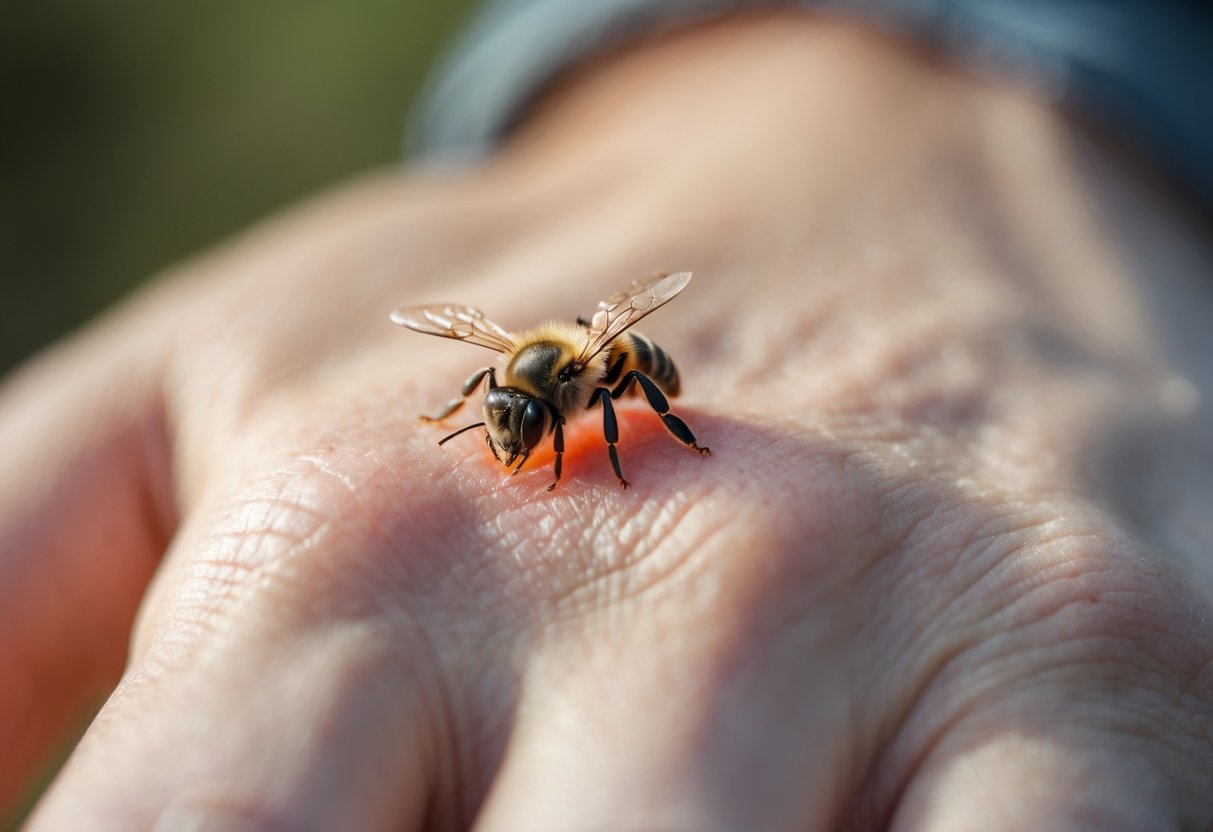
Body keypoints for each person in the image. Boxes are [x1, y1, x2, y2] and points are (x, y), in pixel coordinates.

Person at [4, 6, 1213, 830]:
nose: (523, 435)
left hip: (648, 351)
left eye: (528, 423)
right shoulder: (513, 380)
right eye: (516, 423)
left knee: (639, 407)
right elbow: (498, 378)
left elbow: (590, 381)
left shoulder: (591, 379)